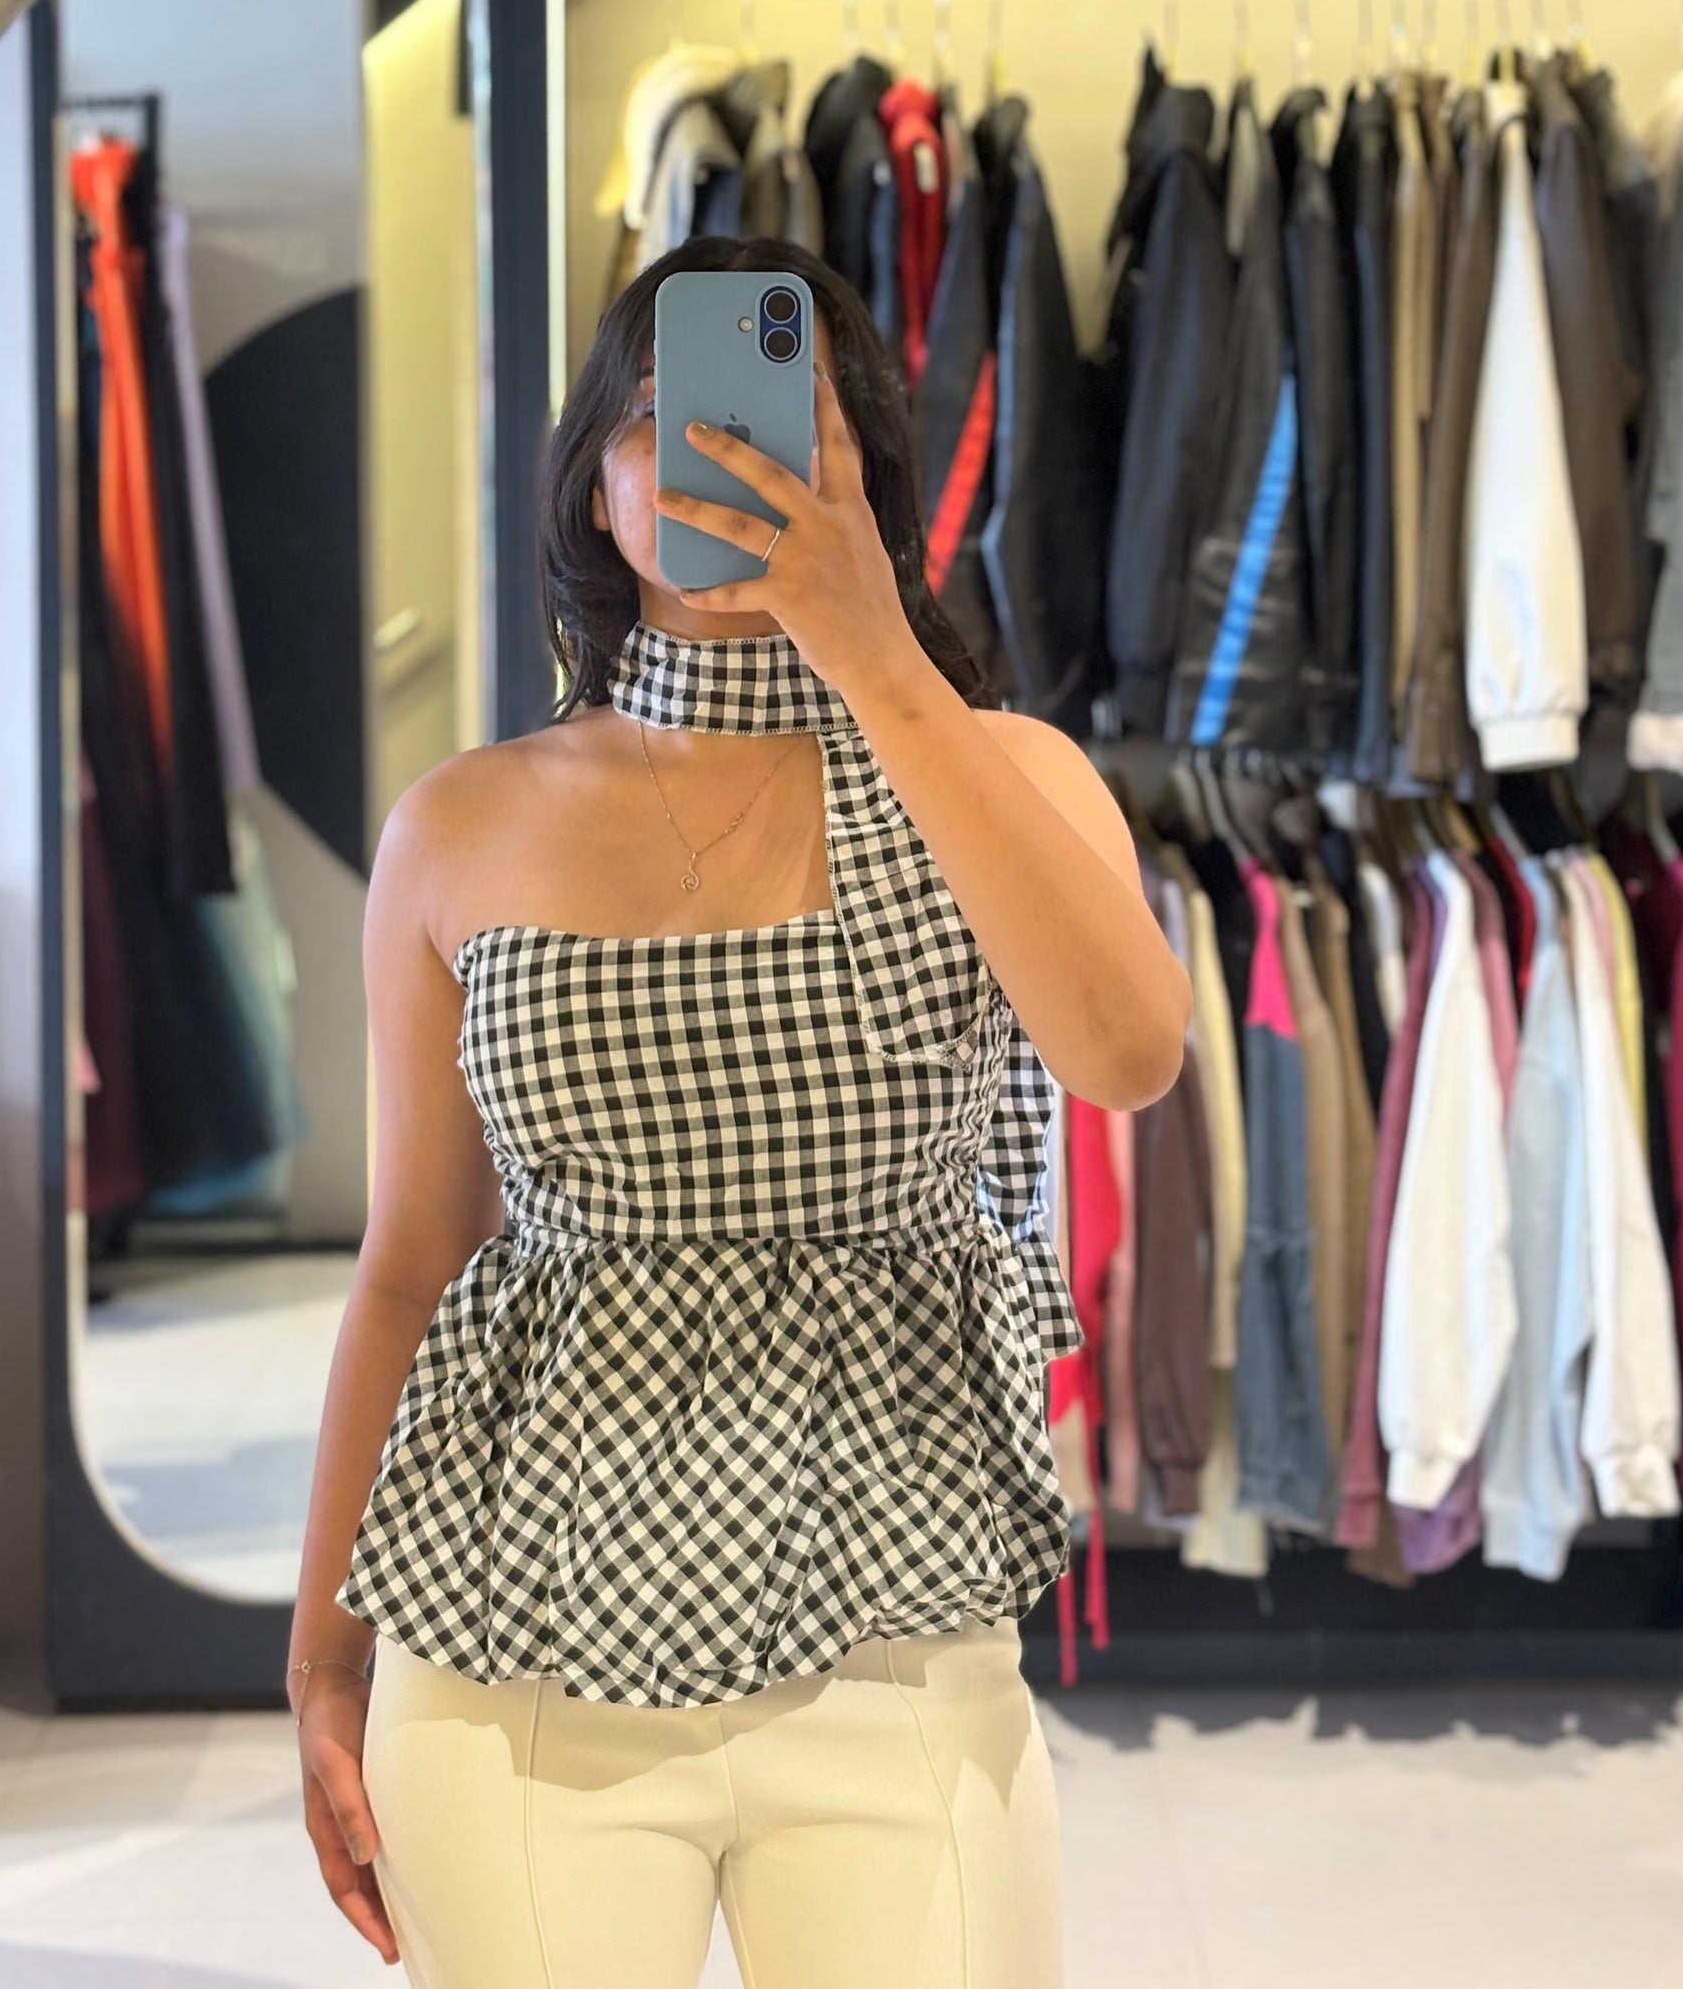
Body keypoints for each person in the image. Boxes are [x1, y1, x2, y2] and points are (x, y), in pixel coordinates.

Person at [287, 237, 1191, 1989]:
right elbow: (411, 1261)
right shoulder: (459, 826)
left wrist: (876, 657)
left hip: (900, 1637)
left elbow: (1126, 1054)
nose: (710, 453)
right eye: (656, 417)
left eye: (780, 418)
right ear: (595, 487)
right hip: (512, 1653)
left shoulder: (1004, 771)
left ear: (862, 474)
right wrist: (324, 1652)